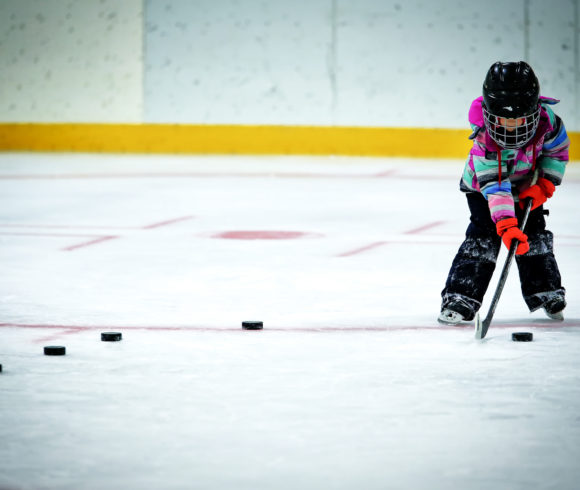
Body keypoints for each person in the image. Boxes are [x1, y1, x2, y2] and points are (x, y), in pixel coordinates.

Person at [438, 61, 569, 325]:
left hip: (526, 185)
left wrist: (545, 184)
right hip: (484, 189)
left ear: (533, 110)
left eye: (518, 119)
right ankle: (461, 296)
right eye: (503, 120)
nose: (511, 126)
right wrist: (506, 224)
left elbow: (556, 153)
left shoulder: (548, 123)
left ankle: (545, 290)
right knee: (484, 237)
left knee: (534, 234)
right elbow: (496, 186)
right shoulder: (485, 142)